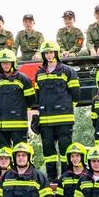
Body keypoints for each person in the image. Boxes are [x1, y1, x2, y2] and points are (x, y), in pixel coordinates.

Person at [33, 40, 79, 179]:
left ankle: (66, 175)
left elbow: (75, 95)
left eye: (51, 52)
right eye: (46, 53)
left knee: (65, 149)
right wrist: (37, 115)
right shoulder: (39, 73)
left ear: (56, 53)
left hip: (64, 119)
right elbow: (37, 95)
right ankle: (52, 177)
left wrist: (67, 109)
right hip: (46, 120)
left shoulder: (67, 71)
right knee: (48, 151)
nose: (49, 55)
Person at [0, 50, 35, 153]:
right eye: (3, 63)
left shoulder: (23, 79)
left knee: (20, 154)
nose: (5, 65)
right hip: (0, 128)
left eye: (8, 63)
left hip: (18, 127)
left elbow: (32, 101)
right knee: (2, 156)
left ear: (13, 63)